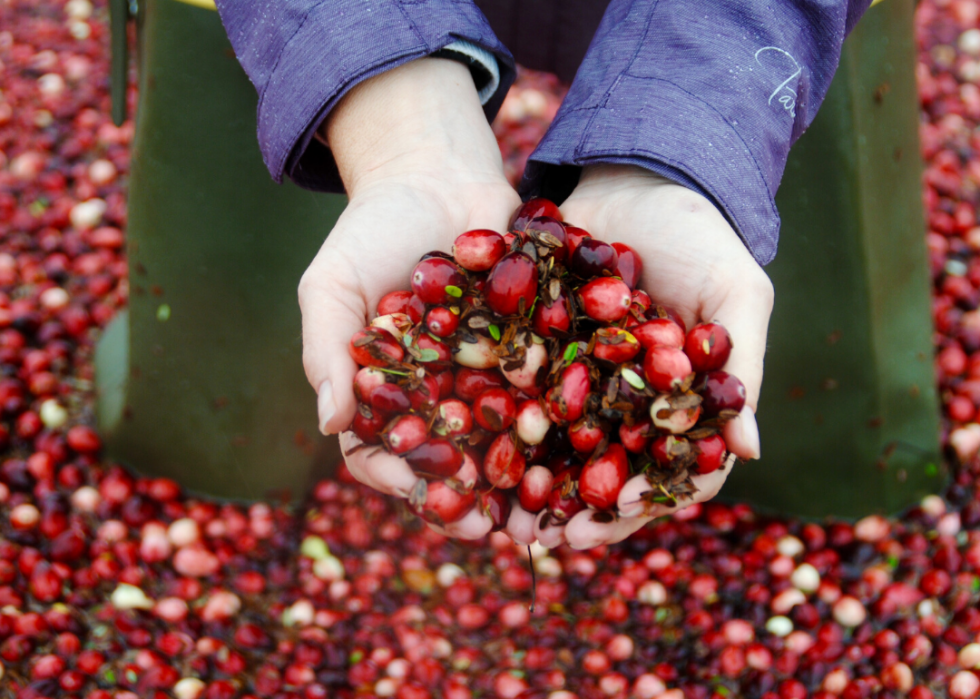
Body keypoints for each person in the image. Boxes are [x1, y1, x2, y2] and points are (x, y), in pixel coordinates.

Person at [213, 0, 877, 548]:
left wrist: (685, 142)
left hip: (743, 41)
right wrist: (395, 120)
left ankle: (817, 489)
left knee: (837, 262)